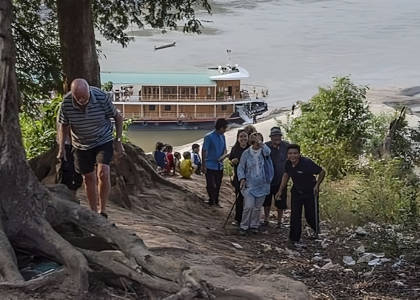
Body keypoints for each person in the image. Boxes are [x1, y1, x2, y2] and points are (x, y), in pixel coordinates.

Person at [57, 78, 124, 218]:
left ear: (89, 92)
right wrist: (61, 147)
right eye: (78, 98)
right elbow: (63, 125)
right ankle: (94, 212)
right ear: (73, 94)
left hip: (103, 139)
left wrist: (118, 140)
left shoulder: (100, 97)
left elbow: (118, 117)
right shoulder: (67, 102)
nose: (82, 100)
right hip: (80, 144)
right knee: (88, 177)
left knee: (103, 172)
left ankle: (103, 210)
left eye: (84, 97)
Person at [275, 144, 326, 245]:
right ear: (287, 155)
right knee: (295, 215)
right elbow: (286, 175)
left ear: (299, 154)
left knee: (310, 215)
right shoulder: (288, 163)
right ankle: (294, 239)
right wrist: (280, 190)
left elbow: (322, 172)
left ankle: (317, 231)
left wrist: (317, 185)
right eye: (290, 154)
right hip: (296, 191)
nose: (292, 156)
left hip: (310, 192)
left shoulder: (306, 163)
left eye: (295, 153)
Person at [237, 132, 272, 235]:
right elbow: (241, 167)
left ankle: (254, 226)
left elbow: (268, 152)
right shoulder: (246, 153)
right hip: (249, 185)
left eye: (259, 137)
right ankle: (243, 226)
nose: (256, 140)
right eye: (255, 138)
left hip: (263, 184)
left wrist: (260, 143)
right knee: (248, 206)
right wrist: (242, 178)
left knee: (257, 207)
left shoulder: (264, 151)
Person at [262, 127, 289, 227]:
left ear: (281, 136)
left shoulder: (286, 146)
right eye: (274, 136)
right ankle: (266, 219)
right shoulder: (266, 146)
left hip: (282, 179)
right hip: (268, 179)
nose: (276, 138)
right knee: (266, 201)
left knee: (280, 202)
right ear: (271, 137)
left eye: (278, 135)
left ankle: (279, 221)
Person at [202, 118, 228, 207]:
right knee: (210, 185)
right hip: (209, 165)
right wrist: (203, 165)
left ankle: (216, 201)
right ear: (220, 127)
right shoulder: (208, 137)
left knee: (218, 184)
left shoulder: (223, 137)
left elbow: (225, 149)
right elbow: (204, 150)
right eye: (224, 128)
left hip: (219, 165)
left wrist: (223, 156)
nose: (225, 130)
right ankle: (211, 200)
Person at [228, 129, 249, 225]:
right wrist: (233, 162)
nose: (243, 138)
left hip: (250, 177)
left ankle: (248, 220)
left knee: (250, 199)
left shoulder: (251, 148)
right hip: (238, 177)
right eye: (241, 136)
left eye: (245, 136)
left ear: (248, 137)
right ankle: (238, 219)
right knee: (239, 198)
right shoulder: (235, 149)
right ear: (238, 138)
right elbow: (231, 162)